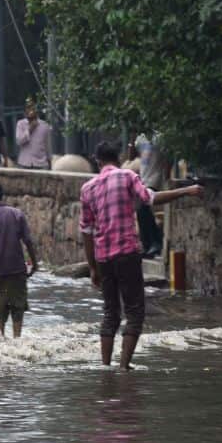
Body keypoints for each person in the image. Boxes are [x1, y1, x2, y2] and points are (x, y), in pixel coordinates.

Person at [80, 142, 203, 370]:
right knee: (134, 311)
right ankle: (124, 367)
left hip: (104, 258)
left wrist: (93, 268)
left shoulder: (88, 188)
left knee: (110, 313)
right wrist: (186, 190)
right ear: (117, 159)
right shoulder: (127, 176)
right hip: (127, 253)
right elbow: (151, 198)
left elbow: (86, 230)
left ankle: (106, 366)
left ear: (98, 161)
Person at [0, 180, 39, 338]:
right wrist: (35, 263)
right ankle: (17, 338)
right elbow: (28, 242)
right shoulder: (17, 214)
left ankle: (0, 338)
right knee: (18, 308)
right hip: (18, 269)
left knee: (0, 308)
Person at [135, 134, 169, 258]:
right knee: (141, 211)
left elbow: (167, 159)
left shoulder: (160, 137)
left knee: (142, 207)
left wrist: (167, 179)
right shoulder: (141, 138)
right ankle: (148, 244)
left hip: (154, 179)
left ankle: (154, 242)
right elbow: (133, 156)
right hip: (143, 179)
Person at [15, 100, 52, 169]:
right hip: (24, 163)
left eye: (32, 108)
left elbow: (47, 145)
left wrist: (49, 162)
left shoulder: (44, 125)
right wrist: (30, 129)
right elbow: (19, 141)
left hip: (41, 164)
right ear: (25, 111)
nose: (30, 111)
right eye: (28, 108)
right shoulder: (20, 124)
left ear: (36, 111)